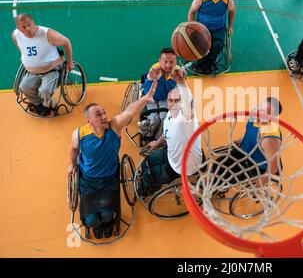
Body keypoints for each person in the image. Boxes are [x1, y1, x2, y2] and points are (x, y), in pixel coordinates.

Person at [67, 80, 158, 239]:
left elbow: (129, 111)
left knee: (108, 215)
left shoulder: (114, 126)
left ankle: (107, 220)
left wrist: (145, 98)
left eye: (104, 112)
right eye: (98, 114)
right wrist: (72, 164)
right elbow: (74, 149)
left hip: (110, 179)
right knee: (91, 220)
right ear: (89, 120)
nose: (104, 116)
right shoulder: (79, 134)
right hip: (88, 181)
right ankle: (97, 222)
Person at [139, 67, 202, 197]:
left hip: (182, 168)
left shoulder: (186, 120)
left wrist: (181, 83)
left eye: (177, 100)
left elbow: (188, 102)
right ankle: (155, 184)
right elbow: (167, 131)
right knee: (146, 161)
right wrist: (158, 142)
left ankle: (146, 192)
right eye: (170, 100)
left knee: (147, 176)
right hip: (171, 157)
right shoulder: (170, 113)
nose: (173, 104)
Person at [11, 13, 74, 116]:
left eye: (29, 25)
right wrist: (25, 55)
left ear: (33, 23)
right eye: (23, 27)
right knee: (24, 86)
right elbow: (18, 44)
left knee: (44, 90)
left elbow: (66, 42)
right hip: (32, 72)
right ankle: (38, 104)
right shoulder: (15, 34)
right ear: (19, 28)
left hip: (51, 70)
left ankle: (46, 106)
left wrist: (70, 62)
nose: (28, 29)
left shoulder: (47, 34)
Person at [216, 97, 283, 187]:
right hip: (245, 151)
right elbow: (249, 131)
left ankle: (214, 189)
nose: (258, 110)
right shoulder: (254, 116)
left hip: (255, 165)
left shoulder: (270, 138)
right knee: (218, 165)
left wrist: (262, 181)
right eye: (260, 106)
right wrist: (242, 139)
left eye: (263, 111)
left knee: (225, 178)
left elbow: (273, 166)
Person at [187, 0, 235, 74]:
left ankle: (206, 67)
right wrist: (192, 27)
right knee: (202, 44)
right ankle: (200, 65)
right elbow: (192, 12)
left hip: (219, 29)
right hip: (202, 28)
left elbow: (232, 11)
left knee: (217, 45)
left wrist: (230, 26)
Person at [138, 48, 180, 147]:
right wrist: (153, 78)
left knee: (164, 117)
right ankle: (148, 136)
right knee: (154, 119)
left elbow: (166, 91)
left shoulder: (175, 73)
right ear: (159, 61)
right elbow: (148, 91)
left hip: (164, 97)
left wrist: (160, 79)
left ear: (176, 62)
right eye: (165, 62)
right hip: (151, 97)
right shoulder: (153, 71)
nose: (168, 65)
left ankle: (158, 138)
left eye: (171, 62)